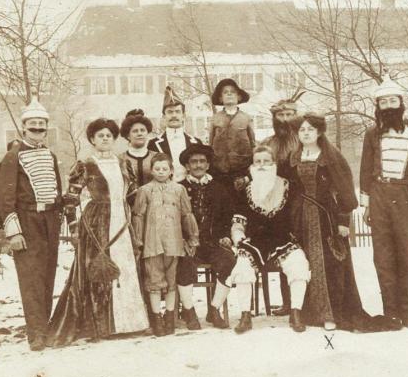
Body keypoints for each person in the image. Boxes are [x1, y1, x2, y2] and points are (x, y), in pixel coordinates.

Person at [49, 118, 150, 345]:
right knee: (98, 270)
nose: (105, 139)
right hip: (97, 221)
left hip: (122, 221)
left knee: (125, 268)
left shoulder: (124, 164)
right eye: (100, 136)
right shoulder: (86, 165)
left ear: (114, 139)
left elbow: (132, 195)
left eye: (109, 136)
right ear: (93, 140)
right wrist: (74, 228)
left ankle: (131, 323)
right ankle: (100, 325)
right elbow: (71, 199)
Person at [359, 73, 408, 331]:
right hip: (379, 195)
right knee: (383, 257)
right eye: (384, 103)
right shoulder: (372, 135)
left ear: (401, 104)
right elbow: (365, 169)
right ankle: (390, 313)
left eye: (393, 101)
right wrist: (367, 203)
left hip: (406, 197)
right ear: (378, 107)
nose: (389, 106)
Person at [290, 113, 371, 332]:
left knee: (331, 265)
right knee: (305, 263)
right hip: (301, 220)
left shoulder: (331, 157)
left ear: (319, 132)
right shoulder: (293, 157)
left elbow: (345, 190)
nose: (305, 133)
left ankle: (332, 314)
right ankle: (309, 313)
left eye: (310, 129)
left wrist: (344, 221)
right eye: (302, 130)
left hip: (327, 217)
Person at [218, 145, 311, 334]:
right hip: (255, 241)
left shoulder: (287, 186)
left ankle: (296, 313)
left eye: (266, 161)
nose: (261, 166)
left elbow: (297, 217)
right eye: (257, 161)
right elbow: (238, 221)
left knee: (299, 263)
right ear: (252, 165)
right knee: (243, 266)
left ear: (273, 163)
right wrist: (238, 238)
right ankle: (245, 315)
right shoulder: (245, 191)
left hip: (283, 239)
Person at [0, 93, 63, 351]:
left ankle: (44, 327)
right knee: (30, 277)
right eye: (32, 126)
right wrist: (14, 232)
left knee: (48, 274)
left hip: (49, 221)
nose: (37, 130)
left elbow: (55, 188)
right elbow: (5, 197)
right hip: (27, 220)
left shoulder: (50, 155)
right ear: (23, 127)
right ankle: (35, 333)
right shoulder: (14, 156)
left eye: (41, 126)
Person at [132, 153, 200, 336]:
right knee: (154, 280)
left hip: (174, 243)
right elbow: (138, 217)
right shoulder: (144, 190)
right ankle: (157, 318)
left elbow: (187, 214)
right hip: (152, 243)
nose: (161, 172)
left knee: (171, 280)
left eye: (165, 169)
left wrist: (193, 237)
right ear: (151, 170)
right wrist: (138, 241)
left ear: (171, 171)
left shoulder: (179, 190)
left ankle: (170, 317)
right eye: (157, 169)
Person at [177, 144, 237, 330]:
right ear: (187, 166)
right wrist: (183, 240)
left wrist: (226, 236)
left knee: (230, 260)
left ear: (208, 165)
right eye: (193, 162)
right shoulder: (178, 188)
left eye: (202, 161)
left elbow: (228, 217)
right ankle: (189, 311)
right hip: (187, 243)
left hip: (212, 242)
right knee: (183, 263)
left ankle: (214, 309)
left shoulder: (219, 189)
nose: (198, 165)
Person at [259, 89, 305, 317]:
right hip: (279, 205)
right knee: (286, 251)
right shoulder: (269, 144)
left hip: (305, 202)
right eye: (281, 115)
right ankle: (289, 303)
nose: (286, 120)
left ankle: (309, 303)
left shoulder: (306, 141)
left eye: (290, 115)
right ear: (275, 119)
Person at [208, 78, 255, 200]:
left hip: (241, 171)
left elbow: (253, 144)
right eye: (225, 92)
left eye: (232, 92)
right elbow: (210, 144)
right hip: (220, 172)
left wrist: (249, 170)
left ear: (239, 97)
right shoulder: (215, 119)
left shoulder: (246, 118)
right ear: (220, 99)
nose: (229, 94)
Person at [148, 86, 203, 182]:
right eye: (170, 112)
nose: (174, 115)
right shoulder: (153, 144)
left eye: (177, 112)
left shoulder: (196, 143)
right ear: (164, 117)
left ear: (183, 116)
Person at [119, 109, 158, 187]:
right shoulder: (120, 159)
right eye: (135, 131)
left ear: (147, 133)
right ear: (128, 136)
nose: (139, 133)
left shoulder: (157, 157)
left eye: (142, 130)